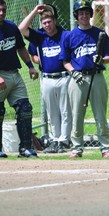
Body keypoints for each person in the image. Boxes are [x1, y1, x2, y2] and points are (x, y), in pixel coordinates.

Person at [59, 0, 109, 158]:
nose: (84, 15)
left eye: (86, 12)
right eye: (80, 13)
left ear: (90, 15)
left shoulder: (100, 34)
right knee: (77, 114)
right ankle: (77, 148)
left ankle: (105, 148)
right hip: (77, 78)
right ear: (76, 16)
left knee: (100, 114)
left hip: (97, 77)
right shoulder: (69, 36)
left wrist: (102, 60)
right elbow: (65, 60)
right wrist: (73, 72)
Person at [18, 4, 72, 154]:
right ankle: (55, 140)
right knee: (52, 111)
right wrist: (35, 12)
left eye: (49, 21)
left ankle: (64, 140)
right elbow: (21, 29)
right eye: (44, 23)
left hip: (64, 77)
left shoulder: (65, 34)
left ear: (54, 21)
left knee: (65, 110)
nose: (47, 25)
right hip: (47, 78)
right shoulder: (39, 36)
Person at [0, 0, 39, 158]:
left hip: (14, 74)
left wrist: (30, 66)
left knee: (25, 109)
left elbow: (21, 47)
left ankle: (25, 148)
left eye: (3, 9)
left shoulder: (11, 27)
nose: (1, 13)